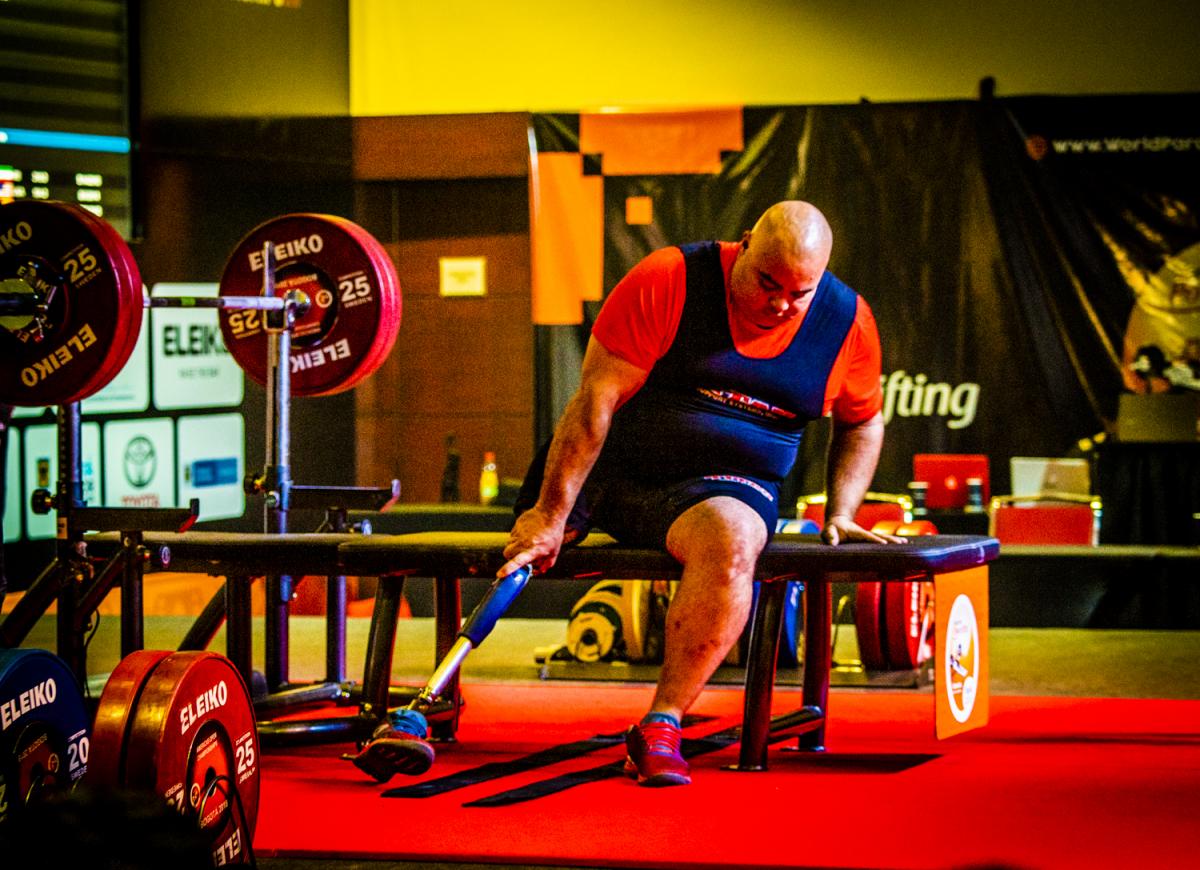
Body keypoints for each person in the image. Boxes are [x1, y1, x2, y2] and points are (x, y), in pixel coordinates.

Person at [352, 200, 901, 787]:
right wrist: (549, 513)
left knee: (735, 537)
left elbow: (863, 420)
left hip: (721, 490)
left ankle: (660, 726)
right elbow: (596, 400)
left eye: (800, 293)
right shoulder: (670, 279)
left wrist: (842, 510)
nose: (780, 304)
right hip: (614, 469)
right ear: (744, 245)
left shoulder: (846, 321)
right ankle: (418, 707)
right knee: (533, 548)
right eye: (768, 283)